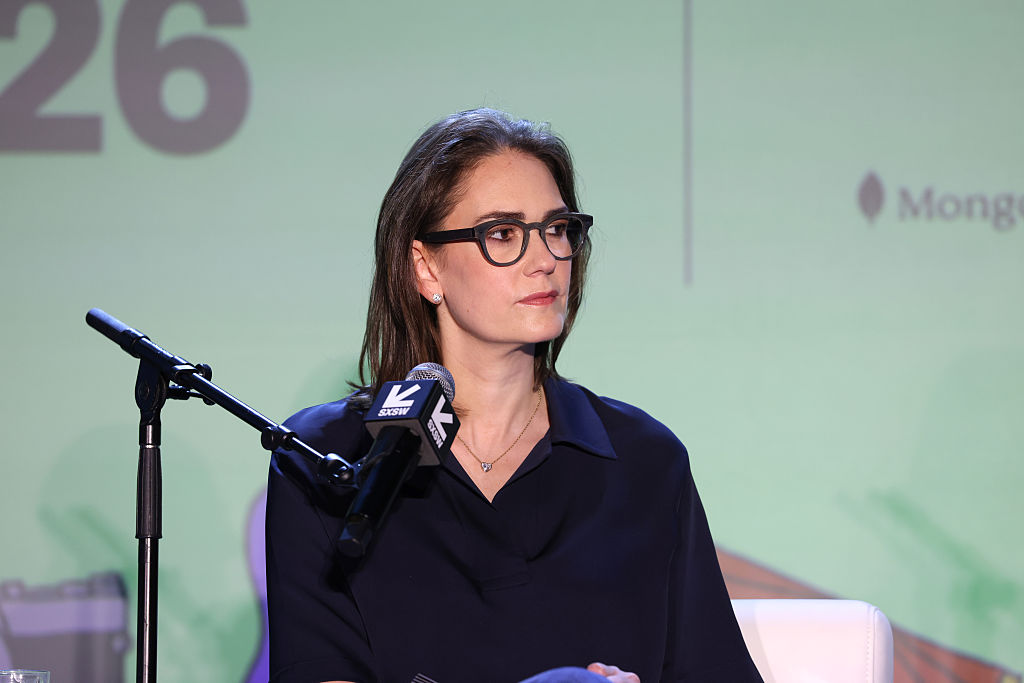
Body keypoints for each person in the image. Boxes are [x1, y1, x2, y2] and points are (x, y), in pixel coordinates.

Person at [266, 108, 762, 683]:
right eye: (502, 233)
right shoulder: (324, 458)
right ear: (425, 268)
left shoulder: (643, 460)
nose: (545, 260)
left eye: (557, 229)